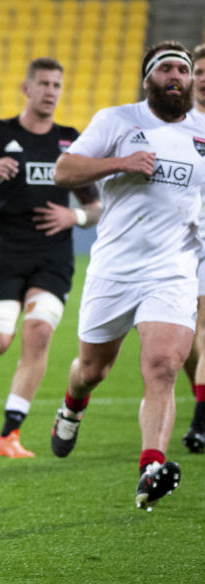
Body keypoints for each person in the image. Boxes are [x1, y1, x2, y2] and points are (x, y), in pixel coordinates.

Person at [49, 41, 205, 510]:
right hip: (115, 269)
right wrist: (120, 163)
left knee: (163, 366)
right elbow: (63, 171)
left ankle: (150, 468)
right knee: (92, 370)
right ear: (148, 79)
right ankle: (72, 404)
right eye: (165, 69)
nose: (175, 75)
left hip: (174, 268)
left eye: (183, 68)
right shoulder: (117, 120)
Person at [0, 57, 102, 458]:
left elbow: (97, 206)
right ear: (26, 88)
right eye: (44, 83)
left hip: (54, 257)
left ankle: (8, 435)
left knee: (39, 334)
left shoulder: (70, 140)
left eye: (57, 85)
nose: (51, 91)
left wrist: (76, 215)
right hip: (8, 254)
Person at [180, 42, 205, 454]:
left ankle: (200, 424)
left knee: (202, 330)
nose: (203, 79)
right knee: (183, 338)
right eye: (198, 71)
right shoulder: (174, 122)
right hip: (176, 242)